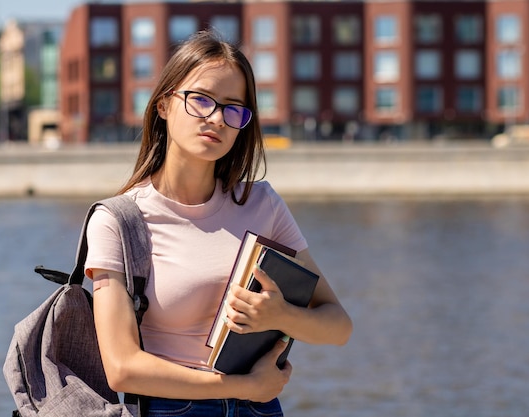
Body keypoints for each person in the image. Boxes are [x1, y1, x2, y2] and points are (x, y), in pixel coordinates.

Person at [85, 30, 352, 417]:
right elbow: (122, 369)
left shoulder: (262, 203)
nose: (216, 118)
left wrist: (281, 316)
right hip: (171, 410)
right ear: (163, 104)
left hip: (260, 409)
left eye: (232, 108)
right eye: (201, 100)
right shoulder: (118, 221)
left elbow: (338, 326)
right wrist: (243, 386)